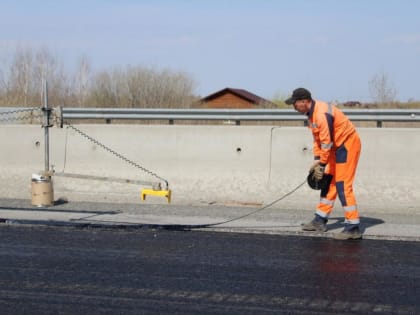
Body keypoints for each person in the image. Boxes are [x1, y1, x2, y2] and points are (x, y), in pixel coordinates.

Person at [285, 87, 362, 240]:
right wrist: (316, 160)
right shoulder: (311, 114)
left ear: (304, 101)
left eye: (295, 104)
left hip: (347, 145)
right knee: (328, 183)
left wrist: (322, 164)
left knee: (342, 185)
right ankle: (320, 220)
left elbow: (326, 142)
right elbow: (318, 139)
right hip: (335, 148)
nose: (294, 107)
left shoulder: (320, 114)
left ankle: (353, 227)